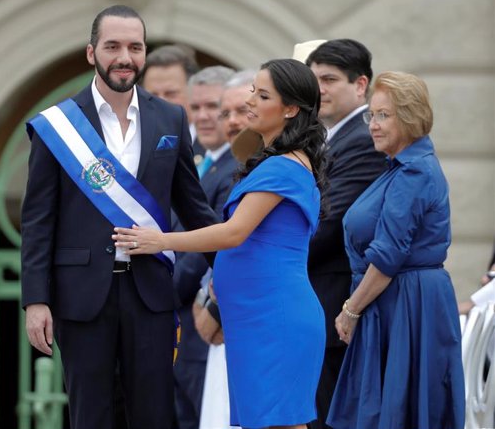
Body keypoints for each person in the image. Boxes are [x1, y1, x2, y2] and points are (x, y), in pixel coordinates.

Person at [21, 5, 218, 429]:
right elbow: (38, 220)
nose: (124, 56)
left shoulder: (170, 117)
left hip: (150, 294)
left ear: (144, 53)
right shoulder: (58, 125)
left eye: (135, 46)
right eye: (113, 46)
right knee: (92, 415)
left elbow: (194, 208)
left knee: (154, 415)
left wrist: (234, 265)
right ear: (92, 53)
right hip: (81, 296)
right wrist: (36, 300)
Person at [114, 58, 327, 429]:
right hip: (257, 315)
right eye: (252, 92)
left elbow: (233, 233)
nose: (249, 103)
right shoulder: (277, 162)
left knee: (282, 424)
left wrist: (159, 240)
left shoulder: (282, 167)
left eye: (262, 96)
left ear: (290, 109)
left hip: (274, 316)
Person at [327, 71, 465, 429]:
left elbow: (388, 256)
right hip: (393, 302)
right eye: (371, 115)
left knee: (399, 412)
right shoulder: (398, 169)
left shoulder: (413, 172)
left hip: (406, 304)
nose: (373, 124)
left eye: (383, 115)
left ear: (410, 116)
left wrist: (350, 310)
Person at [304, 38, 386, 429]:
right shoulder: (331, 136)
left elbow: (329, 222)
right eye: (313, 78)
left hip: (334, 300)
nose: (318, 88)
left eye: (329, 78)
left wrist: (271, 258)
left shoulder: (364, 139)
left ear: (360, 85)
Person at [172, 65, 235, 429]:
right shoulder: (191, 157)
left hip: (203, 322)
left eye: (214, 106)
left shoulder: (236, 167)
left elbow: (207, 244)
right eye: (195, 109)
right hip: (178, 326)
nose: (204, 116)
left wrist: (162, 290)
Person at [195, 69, 256, 429]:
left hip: (254, 315)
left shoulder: (275, 170)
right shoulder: (241, 169)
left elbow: (234, 239)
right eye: (226, 113)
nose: (232, 122)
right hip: (226, 313)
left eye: (242, 111)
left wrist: (161, 242)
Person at [142, 44, 205, 163]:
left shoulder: (211, 149)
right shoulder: (134, 145)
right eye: (153, 95)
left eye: (171, 94)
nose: (161, 102)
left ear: (193, 93)